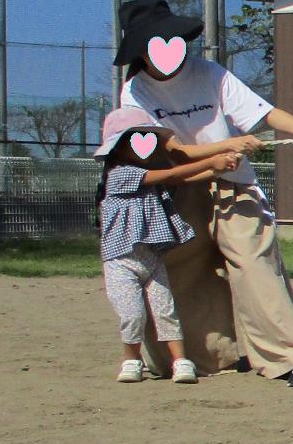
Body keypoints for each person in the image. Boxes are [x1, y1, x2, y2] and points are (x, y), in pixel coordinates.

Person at [115, 0, 293, 387]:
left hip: (233, 182)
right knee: (181, 268)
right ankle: (197, 356)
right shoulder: (134, 93)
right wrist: (223, 150)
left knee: (254, 260)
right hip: (180, 184)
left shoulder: (209, 73)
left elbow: (262, 112)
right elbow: (173, 149)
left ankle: (291, 357)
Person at [93, 107, 239, 385]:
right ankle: (131, 360)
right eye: (135, 139)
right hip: (120, 260)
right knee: (133, 314)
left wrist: (215, 169)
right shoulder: (119, 175)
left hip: (152, 257)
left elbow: (182, 178)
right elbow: (173, 176)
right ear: (119, 147)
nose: (144, 146)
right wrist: (213, 161)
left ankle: (180, 361)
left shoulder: (150, 177)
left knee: (165, 310)